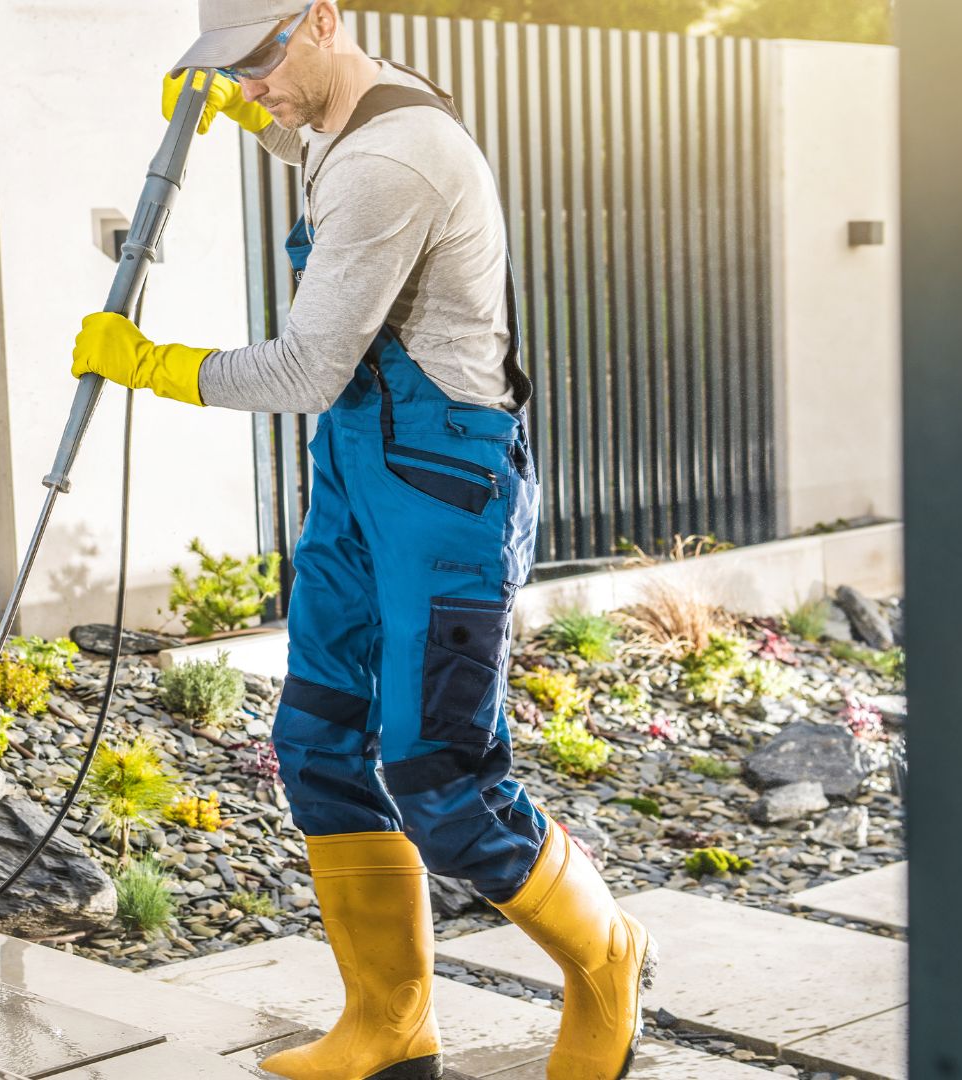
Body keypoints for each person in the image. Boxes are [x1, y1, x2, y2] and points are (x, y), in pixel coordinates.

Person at [70, 4, 654, 1078]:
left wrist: (153, 364)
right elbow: (315, 139)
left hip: (444, 490)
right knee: (319, 738)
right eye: (230, 68)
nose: (254, 83)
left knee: (441, 776)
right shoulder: (354, 113)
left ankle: (607, 957)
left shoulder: (394, 160)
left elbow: (306, 369)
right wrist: (250, 116)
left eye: (258, 62)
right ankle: (390, 1025)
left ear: (323, 19)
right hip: (357, 477)